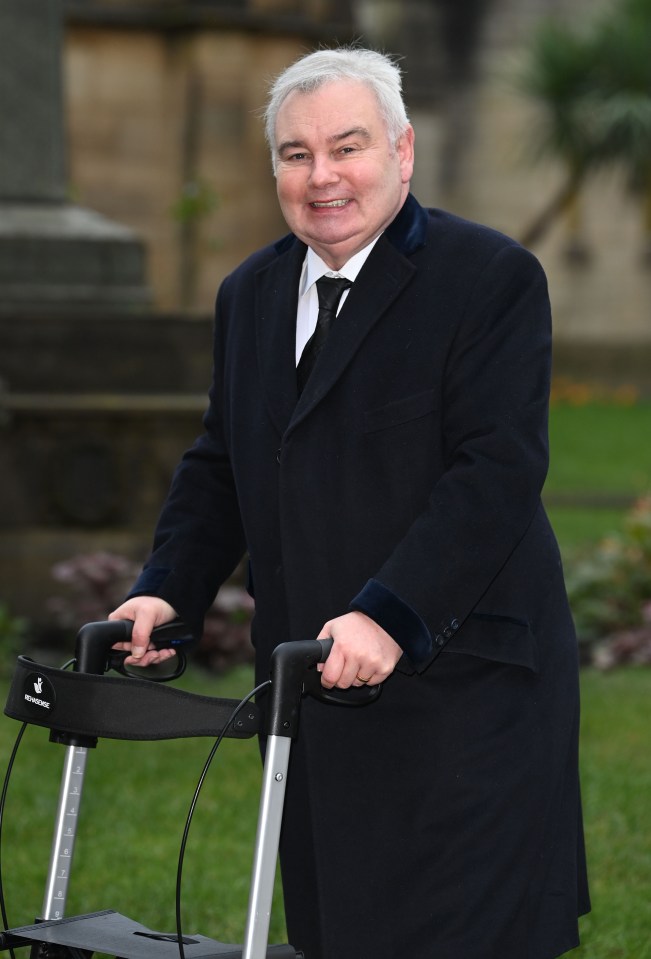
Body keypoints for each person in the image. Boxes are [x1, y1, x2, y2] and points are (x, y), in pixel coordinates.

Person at [110, 46, 590, 959]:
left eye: (347, 146)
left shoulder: (487, 280)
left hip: (462, 691)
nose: (321, 175)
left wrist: (388, 613)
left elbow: (494, 472)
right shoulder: (249, 294)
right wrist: (167, 588)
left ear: (402, 153)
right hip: (312, 693)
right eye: (295, 154)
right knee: (339, 931)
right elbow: (222, 461)